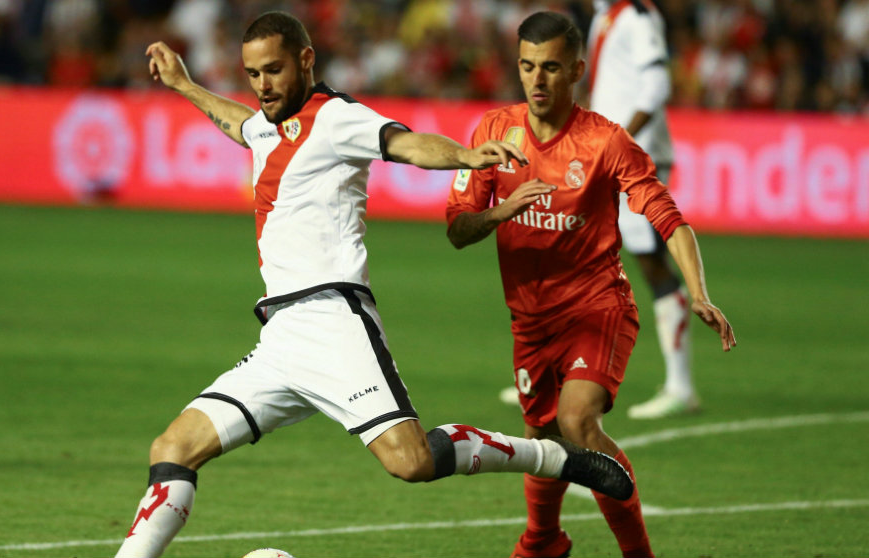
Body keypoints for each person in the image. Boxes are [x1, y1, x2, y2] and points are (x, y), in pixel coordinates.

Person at [115, 11, 633, 558]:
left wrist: (463, 155)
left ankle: (553, 457)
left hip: (334, 322)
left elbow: (405, 144)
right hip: (280, 338)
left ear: (306, 60)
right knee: (173, 448)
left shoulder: (337, 118)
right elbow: (240, 124)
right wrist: (185, 85)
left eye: (274, 70)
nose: (263, 85)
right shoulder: (269, 124)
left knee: (412, 463)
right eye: (253, 74)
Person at [446, 11, 735, 558]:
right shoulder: (491, 132)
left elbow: (667, 216)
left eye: (551, 67)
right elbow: (458, 230)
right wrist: (501, 211)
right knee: (541, 440)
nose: (537, 80)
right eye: (528, 66)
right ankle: (543, 540)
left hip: (597, 309)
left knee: (576, 420)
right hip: (530, 321)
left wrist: (697, 291)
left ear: (577, 69)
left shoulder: (605, 142)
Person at [588, 0, 697, 419]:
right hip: (607, 156)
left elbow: (656, 85)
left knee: (652, 262)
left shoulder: (638, 15)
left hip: (637, 158)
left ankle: (681, 386)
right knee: (584, 255)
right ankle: (561, 372)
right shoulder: (607, 15)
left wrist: (620, 137)